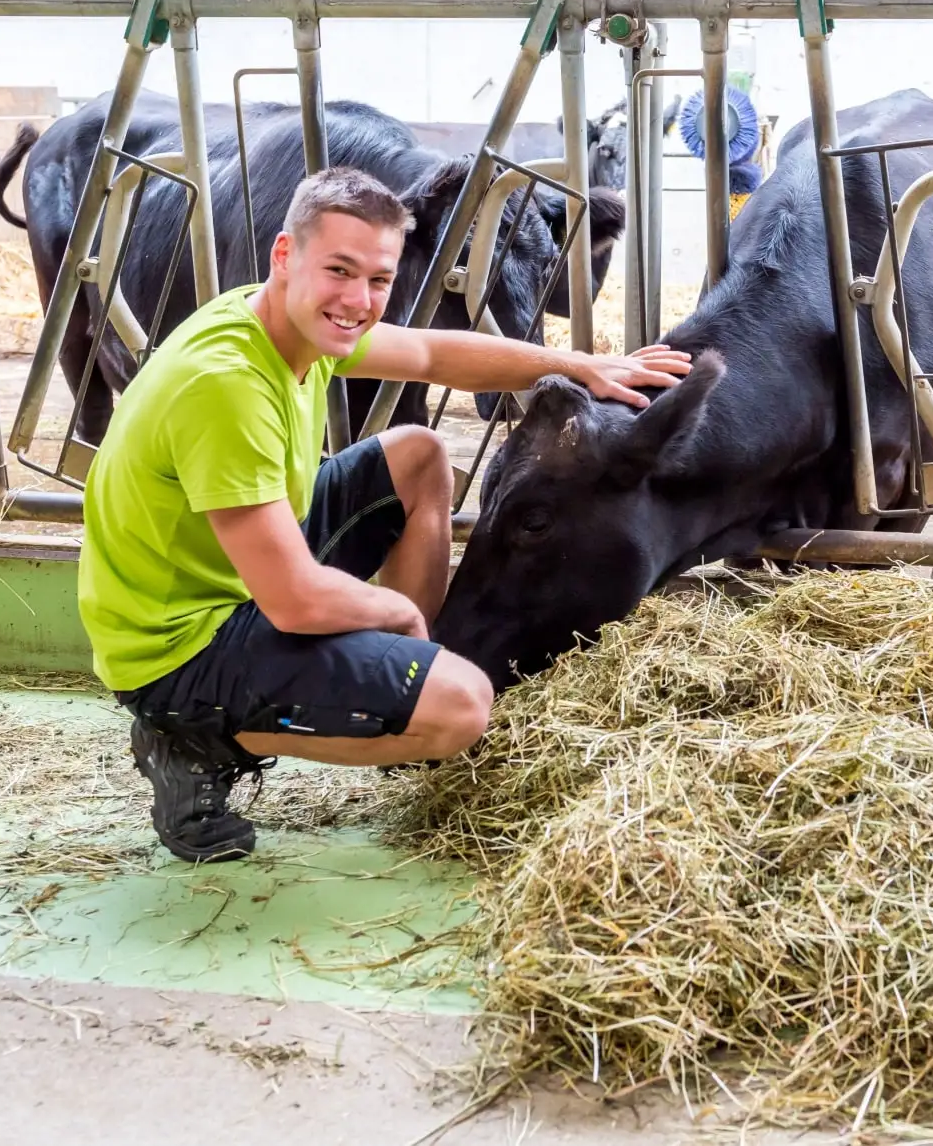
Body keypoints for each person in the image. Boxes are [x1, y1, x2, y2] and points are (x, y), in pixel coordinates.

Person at [79, 166, 691, 862]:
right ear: (286, 256)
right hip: (178, 645)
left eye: (378, 279)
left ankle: (391, 687)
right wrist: (400, 621)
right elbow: (294, 601)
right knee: (463, 707)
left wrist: (579, 365)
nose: (360, 300)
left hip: (233, 574)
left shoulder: (288, 317)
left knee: (419, 455)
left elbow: (431, 353)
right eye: (340, 271)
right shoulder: (227, 388)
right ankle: (190, 739)